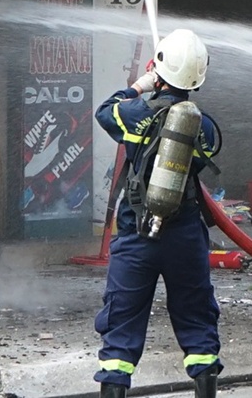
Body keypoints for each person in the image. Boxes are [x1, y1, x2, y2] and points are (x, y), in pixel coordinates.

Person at [93, 29, 224, 398]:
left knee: (120, 328)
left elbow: (105, 112)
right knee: (197, 320)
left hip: (137, 235)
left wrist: (140, 85)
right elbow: (205, 156)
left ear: (160, 68)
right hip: (184, 235)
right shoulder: (206, 127)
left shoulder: (134, 114)